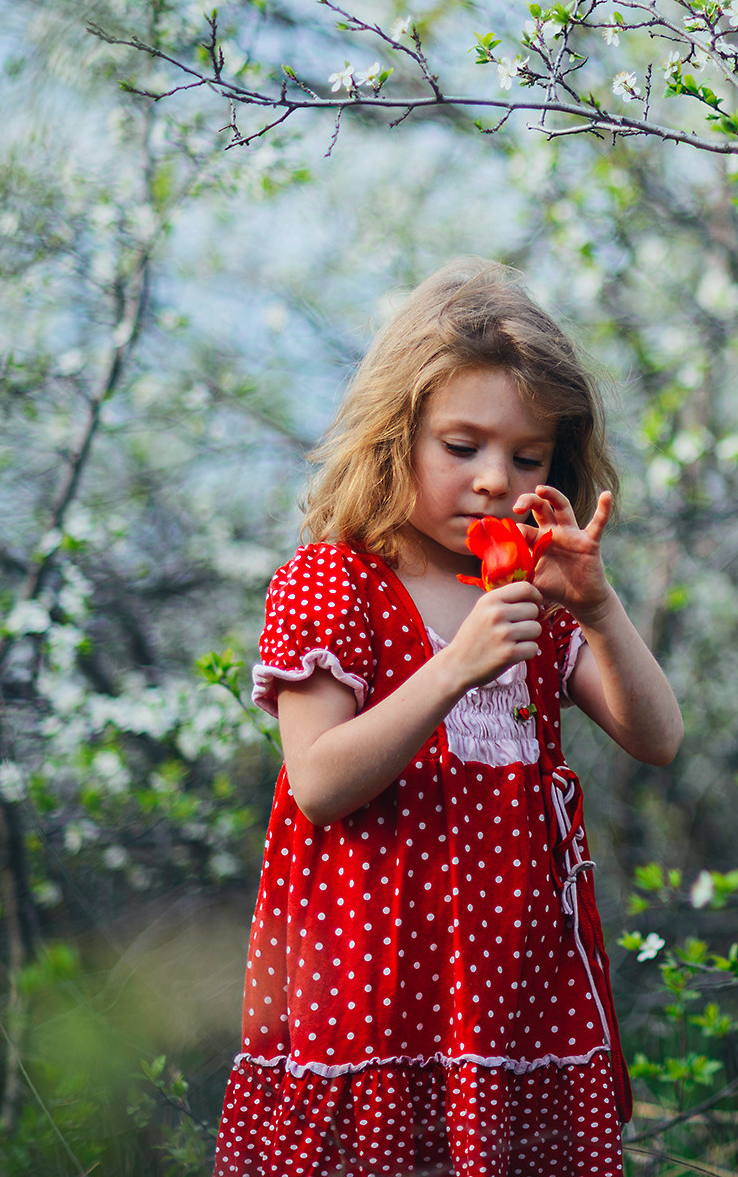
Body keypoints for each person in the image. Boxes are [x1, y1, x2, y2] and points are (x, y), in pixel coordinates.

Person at [211, 258, 683, 1177]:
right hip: (372, 993)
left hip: (513, 997)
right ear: (398, 436)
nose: (494, 479)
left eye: (527, 456)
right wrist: (453, 667)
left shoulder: (527, 597)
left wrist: (594, 604)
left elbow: (658, 737)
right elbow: (318, 782)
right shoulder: (333, 582)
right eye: (461, 446)